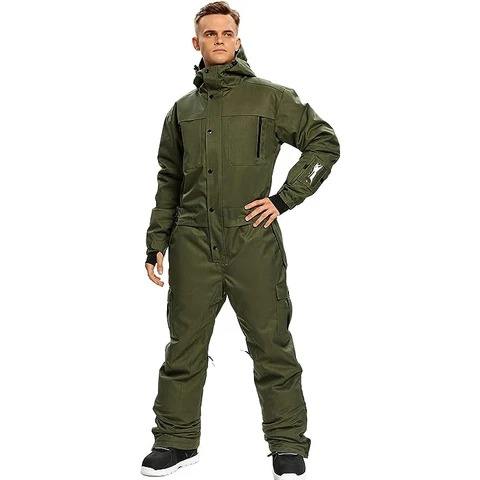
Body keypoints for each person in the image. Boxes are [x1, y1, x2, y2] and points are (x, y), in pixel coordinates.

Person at [141, 2, 340, 478]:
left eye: (226, 33)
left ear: (238, 39)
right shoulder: (181, 111)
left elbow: (324, 142)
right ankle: (175, 440)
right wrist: (156, 242)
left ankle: (287, 444)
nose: (218, 40)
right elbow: (169, 179)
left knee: (272, 344)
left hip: (252, 238)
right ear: (196, 42)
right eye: (209, 34)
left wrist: (284, 199)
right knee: (183, 347)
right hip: (192, 241)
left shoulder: (271, 98)